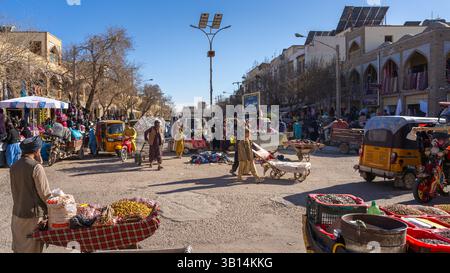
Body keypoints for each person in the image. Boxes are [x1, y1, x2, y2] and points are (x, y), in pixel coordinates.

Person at [10, 136, 51, 253]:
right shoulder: (36, 167)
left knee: (19, 248)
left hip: (17, 216)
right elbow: (46, 194)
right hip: (33, 218)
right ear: (36, 150)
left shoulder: (14, 167)